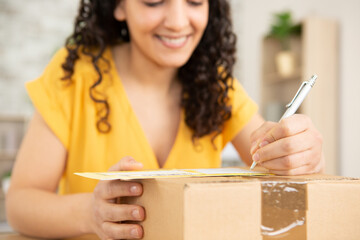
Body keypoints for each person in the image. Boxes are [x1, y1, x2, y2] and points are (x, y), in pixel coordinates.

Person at [6, 0, 324, 239]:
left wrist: (299, 154)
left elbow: (273, 161)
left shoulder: (216, 85)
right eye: (154, 0)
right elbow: (19, 204)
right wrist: (91, 213)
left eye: (195, 1)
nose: (177, 21)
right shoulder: (75, 75)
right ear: (118, 5)